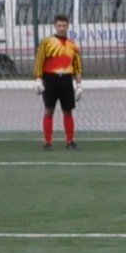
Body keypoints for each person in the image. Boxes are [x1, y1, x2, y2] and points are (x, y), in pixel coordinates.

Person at [35, 12, 83, 150]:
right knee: (48, 110)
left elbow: (77, 67)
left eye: (64, 25)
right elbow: (39, 61)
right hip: (50, 79)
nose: (61, 28)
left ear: (67, 26)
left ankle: (70, 141)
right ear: (55, 26)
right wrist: (38, 79)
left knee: (68, 111)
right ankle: (47, 142)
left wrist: (79, 85)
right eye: (59, 26)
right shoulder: (46, 43)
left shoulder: (72, 45)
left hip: (66, 80)